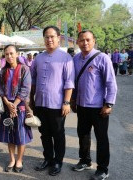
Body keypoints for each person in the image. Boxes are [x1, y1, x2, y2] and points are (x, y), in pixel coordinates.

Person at [71, 30, 117, 180]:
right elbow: (74, 82)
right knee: (83, 135)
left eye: (88, 40)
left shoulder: (102, 58)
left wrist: (109, 103)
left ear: (94, 41)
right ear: (77, 42)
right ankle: (84, 160)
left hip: (99, 107)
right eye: (82, 40)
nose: (85, 43)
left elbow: (111, 83)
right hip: (82, 105)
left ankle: (103, 169)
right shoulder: (76, 59)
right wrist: (73, 99)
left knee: (101, 138)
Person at [30, 25, 75, 176]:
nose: (49, 39)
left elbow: (69, 82)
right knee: (44, 133)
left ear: (58, 38)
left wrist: (67, 102)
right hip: (40, 103)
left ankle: (58, 161)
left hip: (57, 104)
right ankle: (48, 158)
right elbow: (33, 81)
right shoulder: (38, 58)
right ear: (44, 39)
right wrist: (31, 99)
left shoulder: (66, 58)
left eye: (52, 37)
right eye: (46, 37)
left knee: (58, 134)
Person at [0, 44, 33, 173]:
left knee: (20, 134)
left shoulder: (24, 69)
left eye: (12, 53)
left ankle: (19, 160)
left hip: (21, 106)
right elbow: (0, 89)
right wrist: (7, 103)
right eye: (6, 54)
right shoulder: (3, 71)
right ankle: (12, 159)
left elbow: (26, 88)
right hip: (7, 106)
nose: (9, 56)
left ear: (17, 54)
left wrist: (15, 104)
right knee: (9, 134)